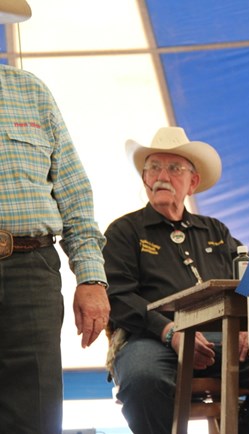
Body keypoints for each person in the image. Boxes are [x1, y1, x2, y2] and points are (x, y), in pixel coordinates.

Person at [0, 1, 110, 433]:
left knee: (37, 415)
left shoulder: (30, 91)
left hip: (33, 269)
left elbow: (74, 194)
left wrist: (91, 278)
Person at [103, 126, 249, 434]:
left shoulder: (216, 232)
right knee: (143, 379)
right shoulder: (124, 231)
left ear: (193, 183)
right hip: (151, 339)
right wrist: (169, 331)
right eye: (154, 168)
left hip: (221, 338)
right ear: (144, 179)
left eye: (174, 168)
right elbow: (117, 297)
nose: (162, 175)